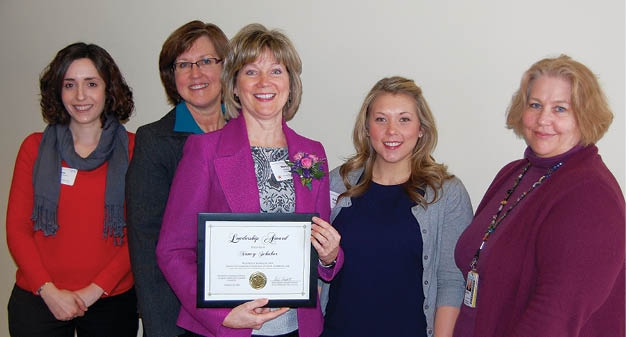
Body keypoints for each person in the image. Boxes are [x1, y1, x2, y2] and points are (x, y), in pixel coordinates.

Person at [156, 23, 342, 337]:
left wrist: (330, 256)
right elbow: (172, 251)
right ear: (235, 84)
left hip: (295, 328)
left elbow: (320, 246)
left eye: (276, 71)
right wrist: (221, 315)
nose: (264, 82)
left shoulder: (312, 153)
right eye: (251, 71)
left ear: (290, 84)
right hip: (226, 329)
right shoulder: (204, 150)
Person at [453, 55, 625, 337]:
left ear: (585, 115)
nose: (544, 119)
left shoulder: (591, 194)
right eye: (535, 105)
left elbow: (554, 317)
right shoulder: (515, 173)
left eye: (560, 109)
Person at [317, 76, 473, 337]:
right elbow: (317, 270)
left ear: (421, 128)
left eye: (404, 119)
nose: (392, 131)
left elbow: (452, 281)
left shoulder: (447, 193)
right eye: (381, 119)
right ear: (367, 128)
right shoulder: (336, 183)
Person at [6, 42, 137, 337]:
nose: (80, 96)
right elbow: (17, 229)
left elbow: (141, 233)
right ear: (57, 91)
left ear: (109, 89)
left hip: (111, 301)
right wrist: (49, 291)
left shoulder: (135, 149)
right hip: (38, 299)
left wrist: (94, 291)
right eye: (69, 85)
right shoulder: (33, 148)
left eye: (91, 83)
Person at [125, 20, 229, 337]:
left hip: (243, 311)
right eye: (183, 64)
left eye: (206, 61)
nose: (195, 74)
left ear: (226, 68)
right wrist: (161, 328)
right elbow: (146, 244)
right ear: (172, 77)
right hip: (179, 318)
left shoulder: (252, 132)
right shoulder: (155, 141)